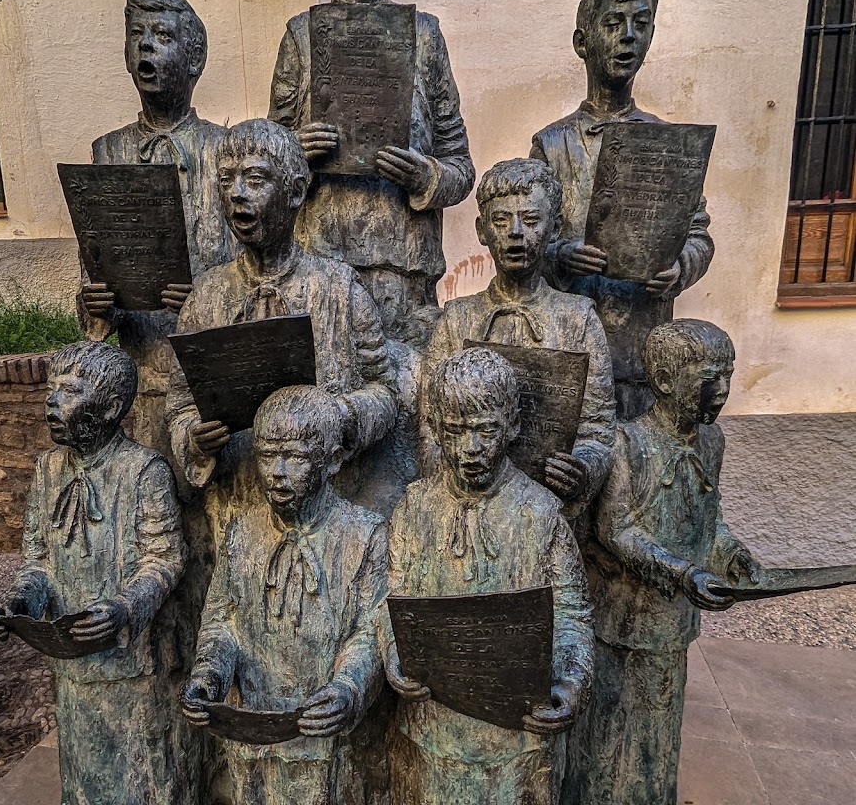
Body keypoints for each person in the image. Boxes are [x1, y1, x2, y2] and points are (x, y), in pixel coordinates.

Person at [269, 0, 474, 345]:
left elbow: (462, 167)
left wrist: (425, 174)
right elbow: (265, 171)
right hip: (321, 272)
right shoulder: (301, 37)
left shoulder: (425, 38)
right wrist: (295, 152)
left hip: (404, 274)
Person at [0, 341, 200, 805]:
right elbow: (37, 560)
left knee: (140, 780)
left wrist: (124, 608)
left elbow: (165, 557)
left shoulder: (144, 470)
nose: (52, 399)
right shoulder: (46, 470)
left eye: (70, 390)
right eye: (52, 388)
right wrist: (19, 603)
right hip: (73, 665)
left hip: (133, 667)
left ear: (111, 407)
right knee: (85, 780)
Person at [384, 348, 594, 805]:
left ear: (512, 427)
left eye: (485, 430)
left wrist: (569, 684)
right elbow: (391, 600)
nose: (470, 449)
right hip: (434, 731)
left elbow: (574, 615)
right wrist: (393, 656)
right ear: (437, 430)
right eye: (455, 432)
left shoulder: (541, 513)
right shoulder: (413, 509)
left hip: (519, 743)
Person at [166, 118, 397, 529]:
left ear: (294, 190)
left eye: (255, 179)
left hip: (326, 515)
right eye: (226, 180)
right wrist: (194, 437)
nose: (236, 194)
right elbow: (181, 406)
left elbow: (386, 390)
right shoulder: (206, 298)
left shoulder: (338, 288)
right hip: (239, 510)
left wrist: (341, 414)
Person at [564, 319, 759, 805]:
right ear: (667, 381)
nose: (724, 390)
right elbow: (616, 529)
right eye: (710, 378)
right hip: (620, 621)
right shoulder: (626, 445)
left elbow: (710, 519)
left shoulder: (713, 443)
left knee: (657, 731)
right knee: (607, 732)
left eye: (729, 376)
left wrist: (732, 553)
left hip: (671, 623)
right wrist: (680, 571)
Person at [180, 386, 387, 805]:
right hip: (253, 737)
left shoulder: (365, 535)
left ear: (332, 459)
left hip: (329, 743)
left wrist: (347, 688)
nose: (276, 472)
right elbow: (224, 621)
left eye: (293, 457)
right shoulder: (242, 530)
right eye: (266, 455)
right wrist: (209, 676)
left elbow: (370, 632)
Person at [529, 0, 713, 419]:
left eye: (641, 24)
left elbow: (699, 235)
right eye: (613, 25)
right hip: (571, 348)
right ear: (582, 42)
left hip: (644, 352)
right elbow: (525, 235)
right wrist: (560, 256)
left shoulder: (669, 144)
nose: (629, 37)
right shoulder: (552, 145)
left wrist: (680, 268)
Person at [78, 0, 233, 460]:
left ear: (195, 57)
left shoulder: (227, 150)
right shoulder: (107, 154)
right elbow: (91, 271)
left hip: (213, 377)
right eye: (136, 35)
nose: (146, 45)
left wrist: (209, 299)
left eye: (162, 35)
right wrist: (94, 304)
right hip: (140, 377)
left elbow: (254, 269)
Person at [422, 158, 615, 518]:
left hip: (549, 511)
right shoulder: (457, 318)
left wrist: (583, 470)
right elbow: (430, 426)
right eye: (500, 221)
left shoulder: (578, 318)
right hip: (466, 506)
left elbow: (598, 430)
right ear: (482, 230)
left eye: (530, 220)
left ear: (554, 227)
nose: (514, 232)